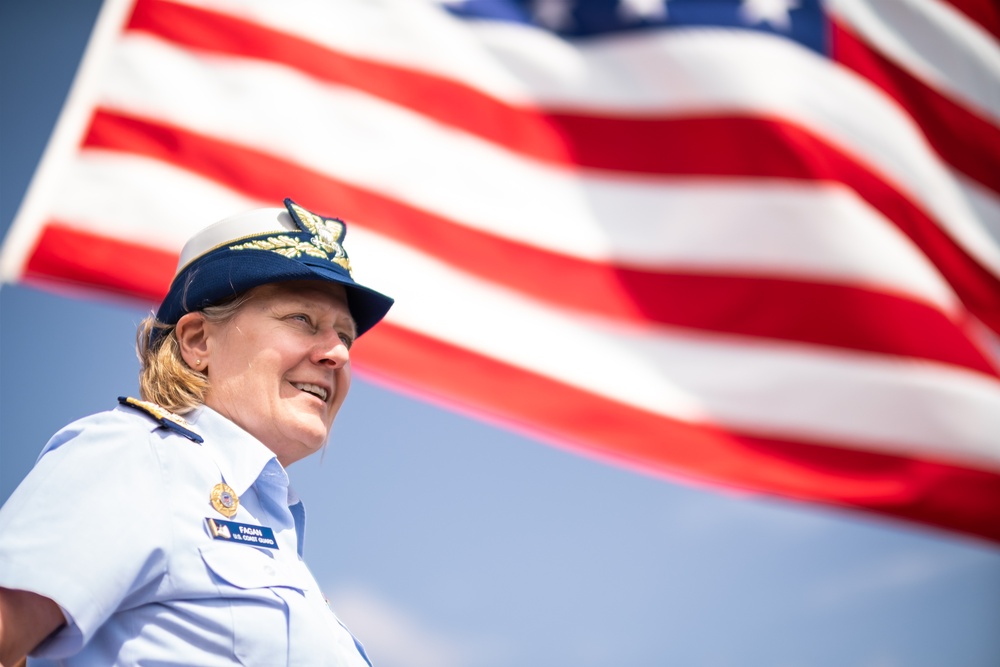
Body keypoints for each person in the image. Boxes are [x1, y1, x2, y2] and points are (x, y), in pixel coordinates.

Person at [0, 198, 394, 666]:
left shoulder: (268, 526)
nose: (338, 354)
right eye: (302, 320)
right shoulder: (142, 458)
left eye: (345, 337)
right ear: (197, 341)